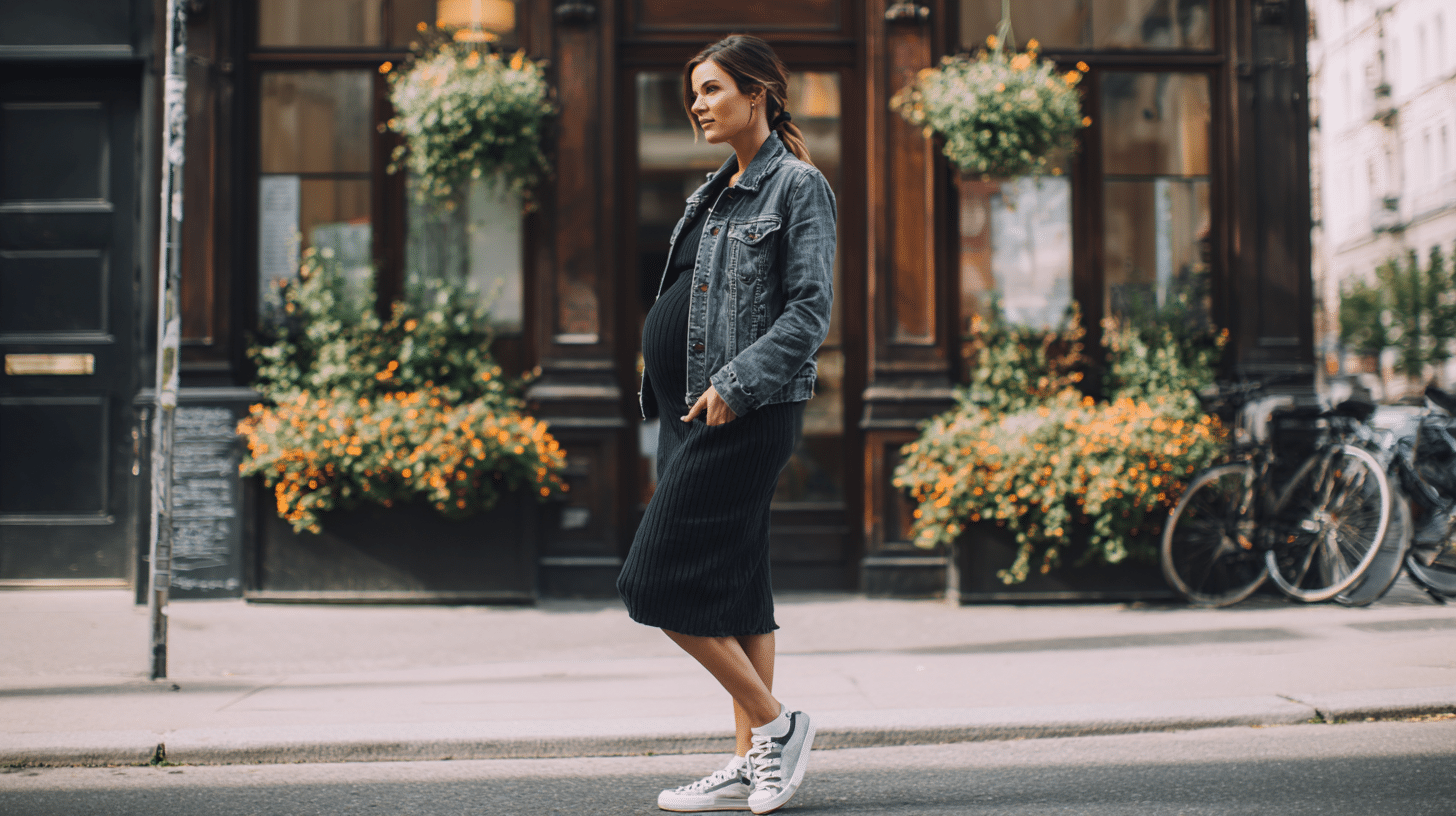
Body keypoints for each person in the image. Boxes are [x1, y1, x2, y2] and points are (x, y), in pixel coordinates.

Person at [616, 33, 837, 815]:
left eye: (711, 89)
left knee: (651, 583)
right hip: (689, 413)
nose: (697, 105)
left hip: (744, 411)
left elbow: (809, 311)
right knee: (738, 591)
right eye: (694, 92)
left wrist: (735, 386)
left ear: (758, 94)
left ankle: (779, 726)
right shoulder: (712, 191)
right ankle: (750, 761)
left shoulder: (797, 186)